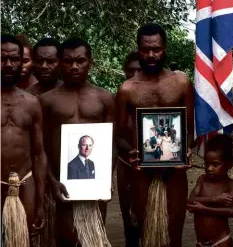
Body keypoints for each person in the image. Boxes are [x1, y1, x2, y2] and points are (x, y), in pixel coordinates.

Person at [116, 23, 194, 246]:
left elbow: (189, 130)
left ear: (165, 48)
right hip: (142, 172)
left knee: (174, 235)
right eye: (145, 49)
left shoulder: (181, 83)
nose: (150, 55)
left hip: (175, 171)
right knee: (146, 234)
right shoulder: (127, 89)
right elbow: (118, 135)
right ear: (138, 49)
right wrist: (130, 153)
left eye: (156, 49)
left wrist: (186, 150)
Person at [39, 37, 115, 247]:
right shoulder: (47, 101)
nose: (74, 66)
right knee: (64, 238)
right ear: (60, 63)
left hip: (94, 182)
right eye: (68, 61)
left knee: (93, 238)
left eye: (80, 61)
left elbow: (112, 142)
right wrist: (51, 181)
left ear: (89, 61)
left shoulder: (105, 98)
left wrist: (106, 178)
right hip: (60, 184)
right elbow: (40, 146)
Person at [1, 34, 47, 240]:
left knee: (23, 239)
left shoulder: (31, 103)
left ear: (22, 61)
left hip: (24, 183)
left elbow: (39, 155)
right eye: (2, 58)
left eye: (14, 59)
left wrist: (40, 203)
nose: (9, 64)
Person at [187, 134, 233, 247]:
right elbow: (190, 201)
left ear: (229, 165)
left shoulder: (231, 185)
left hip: (221, 241)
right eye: (207, 163)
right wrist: (214, 199)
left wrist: (204, 208)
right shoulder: (202, 180)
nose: (209, 168)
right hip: (201, 243)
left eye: (215, 164)